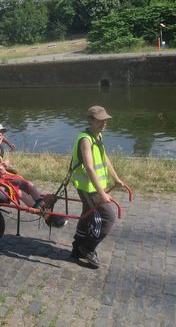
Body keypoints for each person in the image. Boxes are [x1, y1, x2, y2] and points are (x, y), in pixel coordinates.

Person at [69, 106, 127, 268]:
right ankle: (87, 247)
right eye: (100, 120)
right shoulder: (85, 139)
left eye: (105, 120)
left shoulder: (97, 136)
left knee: (87, 215)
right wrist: (101, 193)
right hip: (87, 187)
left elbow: (104, 158)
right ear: (90, 121)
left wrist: (116, 178)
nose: (104, 123)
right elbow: (89, 167)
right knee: (108, 217)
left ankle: (76, 248)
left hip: (94, 186)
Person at [0, 122, 52, 209]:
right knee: (21, 193)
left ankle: (43, 205)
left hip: (0, 176)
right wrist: (0, 166)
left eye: (2, 132)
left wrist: (6, 167)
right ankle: (42, 212)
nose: (0, 134)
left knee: (29, 184)